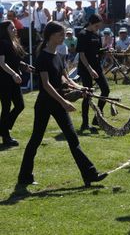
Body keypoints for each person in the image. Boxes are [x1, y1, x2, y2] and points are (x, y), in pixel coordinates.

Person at [17, 21, 108, 187]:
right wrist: (64, 101)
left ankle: (90, 174)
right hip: (46, 103)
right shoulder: (43, 57)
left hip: (58, 102)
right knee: (36, 140)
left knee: (73, 139)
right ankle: (24, 177)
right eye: (60, 34)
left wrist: (82, 88)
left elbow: (65, 78)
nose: (63, 37)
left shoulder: (58, 55)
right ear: (51, 36)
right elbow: (46, 85)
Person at [76, 14, 110, 132]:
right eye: (96, 26)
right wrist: (90, 69)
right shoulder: (82, 34)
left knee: (106, 90)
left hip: (97, 67)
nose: (98, 28)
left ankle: (97, 117)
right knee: (88, 94)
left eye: (99, 26)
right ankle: (84, 124)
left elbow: (97, 50)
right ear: (90, 23)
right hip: (86, 68)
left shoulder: (97, 34)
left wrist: (105, 50)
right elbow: (81, 54)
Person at [0, 21, 32, 146]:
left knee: (20, 105)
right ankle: (5, 136)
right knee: (6, 107)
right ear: (5, 30)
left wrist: (25, 66)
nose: (15, 29)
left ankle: (2, 128)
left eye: (14, 27)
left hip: (14, 78)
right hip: (4, 79)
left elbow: (15, 61)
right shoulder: (2, 42)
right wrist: (14, 74)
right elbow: (2, 63)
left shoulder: (14, 43)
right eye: (12, 28)